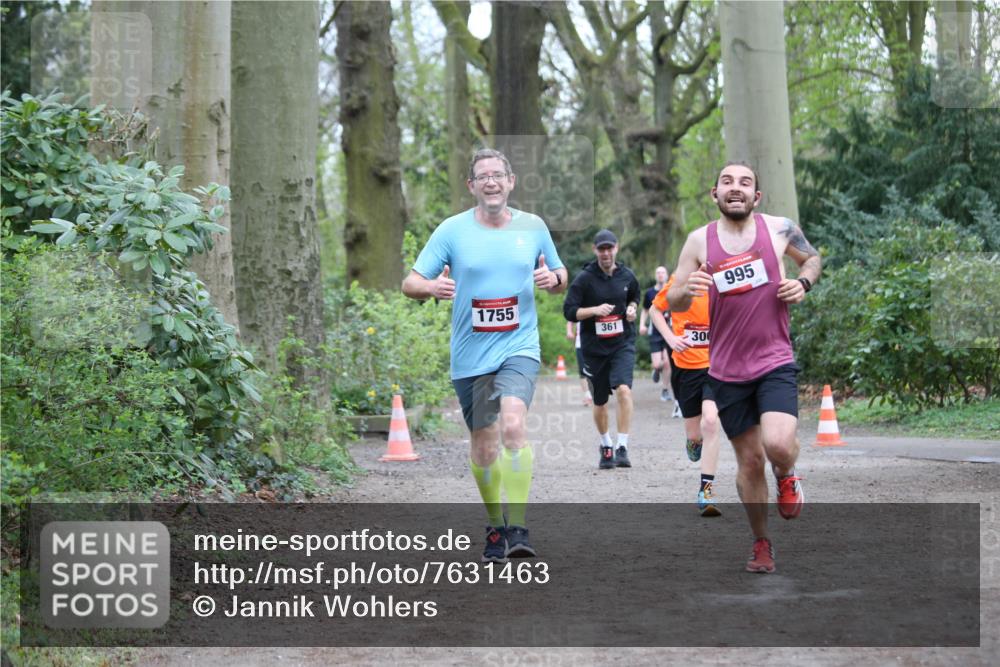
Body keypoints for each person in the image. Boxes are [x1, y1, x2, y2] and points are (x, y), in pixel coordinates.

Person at [402, 148, 567, 563]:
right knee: (484, 446)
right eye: (483, 176)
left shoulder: (533, 227)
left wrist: (554, 278)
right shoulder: (452, 231)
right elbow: (410, 282)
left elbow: (562, 274)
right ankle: (495, 525)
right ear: (471, 186)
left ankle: (520, 527)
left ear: (511, 182)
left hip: (519, 347)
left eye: (498, 175)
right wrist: (431, 289)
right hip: (472, 354)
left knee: (513, 425)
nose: (491, 182)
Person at [667, 161, 821, 574]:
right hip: (726, 371)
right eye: (727, 182)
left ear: (757, 196)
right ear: (714, 194)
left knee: (777, 445)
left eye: (745, 182)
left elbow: (812, 258)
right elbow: (673, 299)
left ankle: (787, 473)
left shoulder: (779, 229)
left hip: (774, 360)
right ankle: (761, 543)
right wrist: (689, 290)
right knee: (750, 462)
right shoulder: (699, 241)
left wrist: (802, 283)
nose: (736, 188)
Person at [563, 229, 640, 470]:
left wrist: (632, 309)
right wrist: (594, 310)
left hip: (622, 343)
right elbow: (569, 311)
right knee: (600, 401)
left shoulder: (627, 275)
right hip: (594, 349)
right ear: (595, 251)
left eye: (610, 248)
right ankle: (605, 443)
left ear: (617, 248)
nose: (606, 253)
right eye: (601, 249)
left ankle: (622, 446)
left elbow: (635, 298)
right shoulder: (584, 279)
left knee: (624, 390)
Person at [649, 275, 722, 516]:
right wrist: (670, 338)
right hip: (686, 369)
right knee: (695, 435)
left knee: (710, 422)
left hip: (717, 367)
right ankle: (693, 442)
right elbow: (655, 310)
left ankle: (706, 490)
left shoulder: (722, 279)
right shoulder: (681, 279)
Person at [638, 266, 673, 402]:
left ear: (667, 275)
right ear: (655, 275)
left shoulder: (672, 291)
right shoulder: (650, 293)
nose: (660, 275)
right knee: (658, 363)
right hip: (655, 332)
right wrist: (642, 324)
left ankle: (665, 390)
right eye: (658, 272)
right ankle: (656, 369)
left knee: (668, 363)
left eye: (662, 272)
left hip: (669, 331)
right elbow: (646, 310)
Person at [565, 320, 593, 406]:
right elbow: (570, 320)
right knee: (583, 371)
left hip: (597, 344)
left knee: (597, 371)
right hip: (581, 344)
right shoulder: (579, 306)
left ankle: (598, 394)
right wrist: (569, 331)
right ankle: (588, 396)